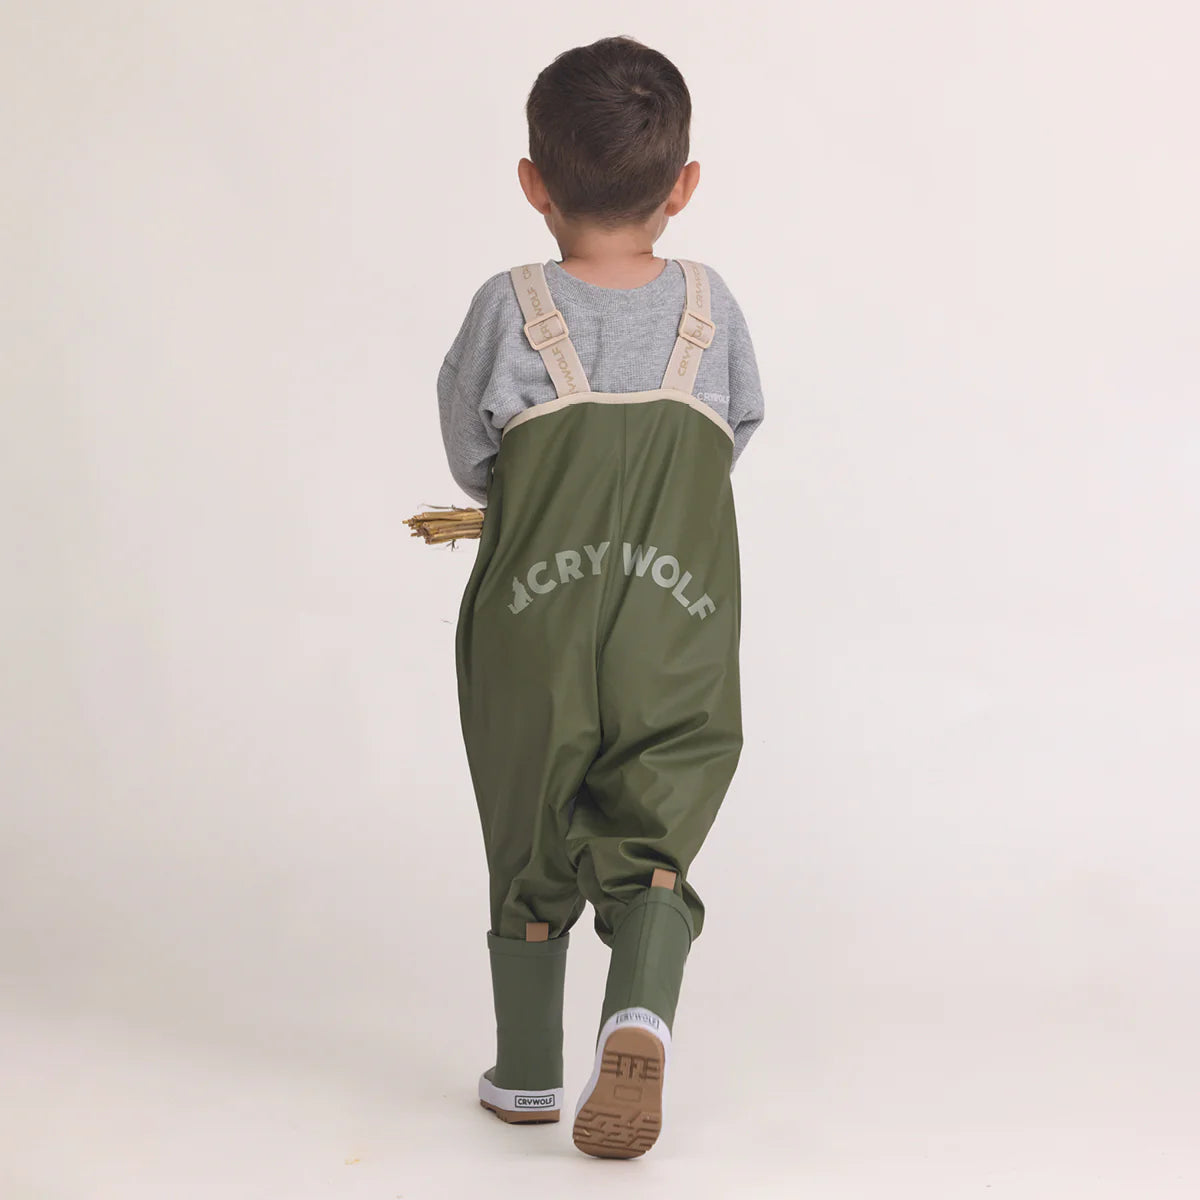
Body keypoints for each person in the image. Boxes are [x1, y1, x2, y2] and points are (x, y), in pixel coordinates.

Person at [436, 35, 765, 1159]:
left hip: (535, 612)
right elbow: (733, 435)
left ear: (534, 183)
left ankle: (527, 1072)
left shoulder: (508, 307)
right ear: (684, 185)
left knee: (529, 820)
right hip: (677, 617)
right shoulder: (711, 310)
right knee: (654, 809)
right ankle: (639, 1013)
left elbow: (472, 456)